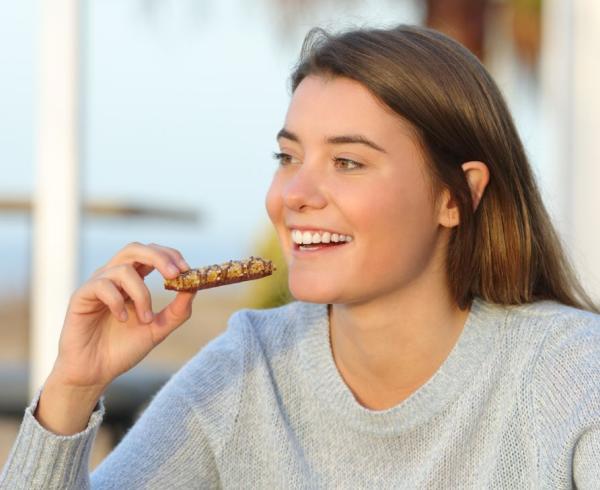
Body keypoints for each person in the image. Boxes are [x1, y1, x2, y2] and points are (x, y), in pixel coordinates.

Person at [2, 24, 600, 489]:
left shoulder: (570, 375)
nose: (294, 195)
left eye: (347, 162)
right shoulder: (249, 369)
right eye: (288, 157)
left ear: (456, 196)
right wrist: (73, 388)